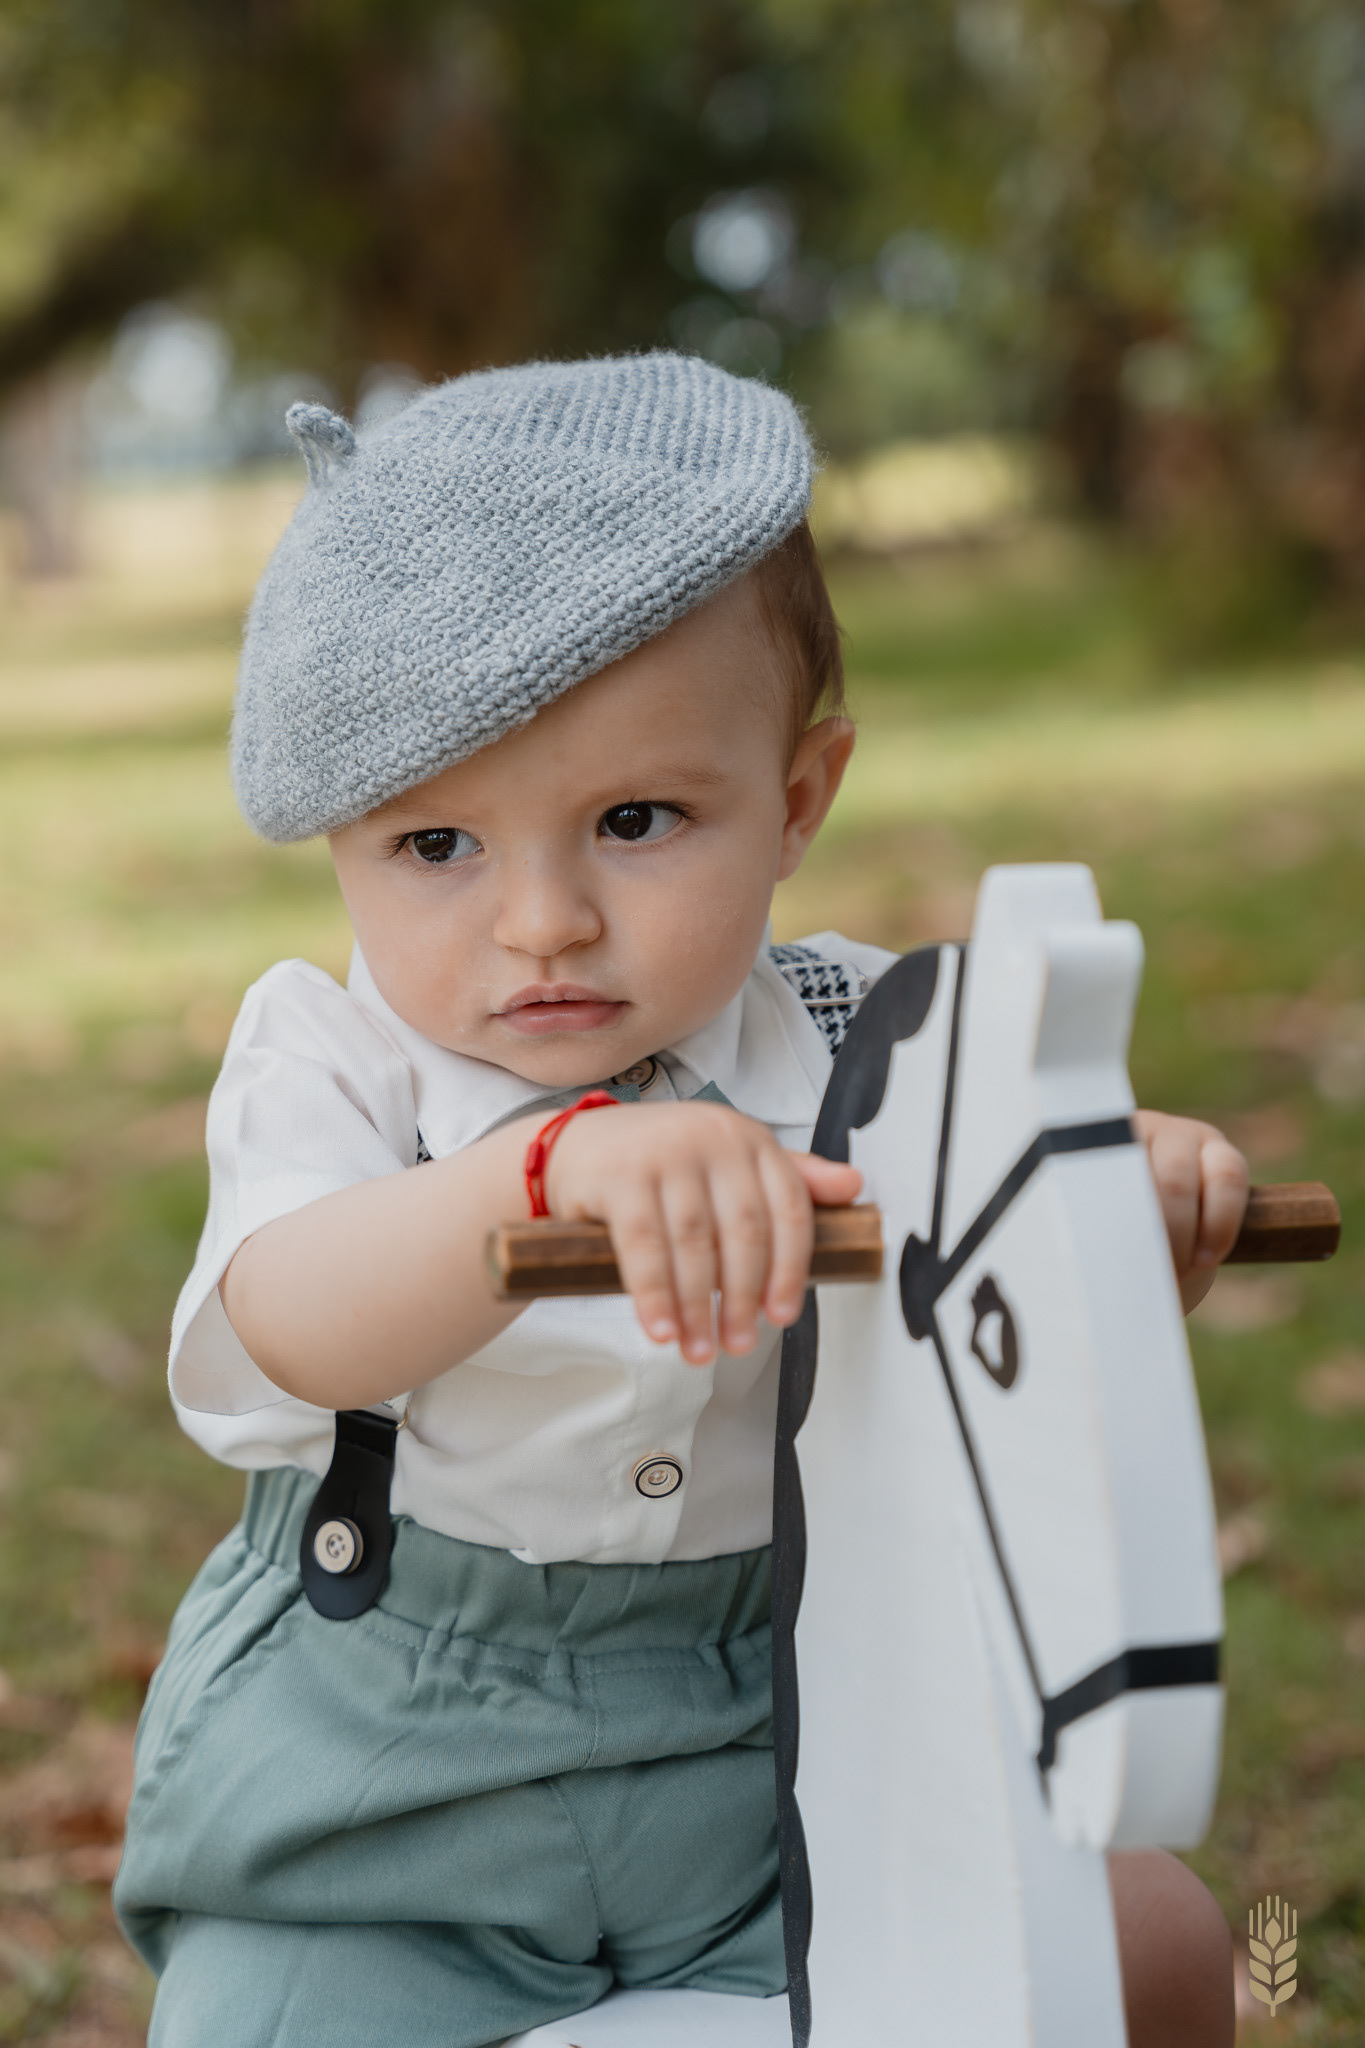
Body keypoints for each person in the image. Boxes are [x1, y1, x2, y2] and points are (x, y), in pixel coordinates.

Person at [114, 354, 1243, 2047]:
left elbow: (1011, 1278)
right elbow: (289, 1318)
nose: (545, 920)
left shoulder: (866, 1034)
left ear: (794, 802)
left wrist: (1122, 1190)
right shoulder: (334, 1054)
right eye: (439, 847)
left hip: (787, 1737)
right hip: (390, 1794)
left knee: (1144, 1941)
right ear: (342, 839)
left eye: (634, 819)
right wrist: (542, 1172)